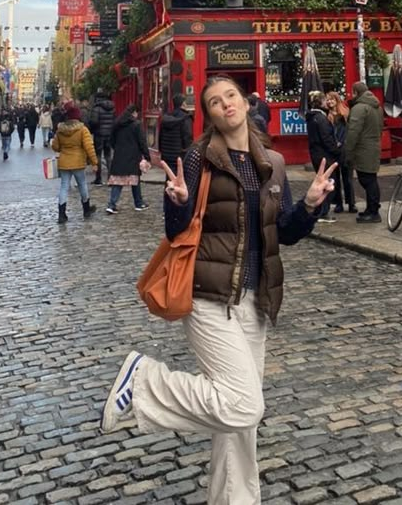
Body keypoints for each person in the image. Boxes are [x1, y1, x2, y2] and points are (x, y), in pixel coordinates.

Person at [99, 75, 336, 505]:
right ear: (207, 115)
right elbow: (178, 231)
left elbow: (284, 233)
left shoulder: (274, 162)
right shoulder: (198, 158)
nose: (225, 104)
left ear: (246, 103)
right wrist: (175, 201)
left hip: (256, 301)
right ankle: (145, 383)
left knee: (239, 424)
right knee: (245, 405)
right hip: (209, 299)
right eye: (214, 102)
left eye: (230, 96)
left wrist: (310, 205)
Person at [51, 103, 98, 224]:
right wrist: (94, 162)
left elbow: (55, 146)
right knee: (82, 185)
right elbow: (89, 147)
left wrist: (63, 148)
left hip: (64, 162)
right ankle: (86, 210)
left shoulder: (60, 130)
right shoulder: (82, 129)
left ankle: (62, 215)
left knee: (64, 187)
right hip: (78, 162)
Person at [345, 81, 383, 223]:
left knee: (367, 180)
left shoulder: (359, 108)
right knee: (370, 178)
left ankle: (373, 212)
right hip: (373, 146)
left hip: (363, 149)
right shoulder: (376, 106)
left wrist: (348, 151)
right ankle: (371, 208)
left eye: (352, 91)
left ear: (356, 92)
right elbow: (380, 127)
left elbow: (353, 131)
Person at [105, 104, 151, 214]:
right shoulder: (136, 125)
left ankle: (112, 204)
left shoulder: (117, 123)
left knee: (118, 181)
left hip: (119, 156)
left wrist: (117, 148)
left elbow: (111, 140)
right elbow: (142, 142)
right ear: (134, 113)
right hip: (133, 156)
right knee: (135, 179)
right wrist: (147, 156)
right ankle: (138, 203)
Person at [305, 90, 338, 222]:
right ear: (320, 102)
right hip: (324, 155)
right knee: (328, 182)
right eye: (324, 100)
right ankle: (323, 212)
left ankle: (321, 210)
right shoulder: (321, 118)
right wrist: (337, 150)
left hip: (316, 153)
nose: (327, 102)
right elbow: (326, 139)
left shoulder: (312, 117)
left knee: (323, 181)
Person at [326, 91, 356, 214]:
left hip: (345, 149)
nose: (329, 102)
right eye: (328, 100)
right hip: (333, 150)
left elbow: (350, 130)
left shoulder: (345, 112)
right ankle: (338, 203)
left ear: (337, 100)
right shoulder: (326, 115)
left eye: (332, 99)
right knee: (335, 179)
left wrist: (345, 142)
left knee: (348, 178)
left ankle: (351, 203)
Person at [158, 94, 194, 173]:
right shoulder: (185, 118)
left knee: (169, 178)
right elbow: (187, 138)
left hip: (167, 156)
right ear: (183, 104)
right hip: (180, 156)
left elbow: (160, 137)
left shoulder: (166, 118)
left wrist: (162, 152)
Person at [89, 89, 116, 185]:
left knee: (98, 156)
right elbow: (114, 121)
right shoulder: (112, 107)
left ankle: (98, 178)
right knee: (108, 156)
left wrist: (92, 130)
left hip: (99, 134)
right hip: (109, 134)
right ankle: (110, 177)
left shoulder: (97, 108)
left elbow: (94, 122)